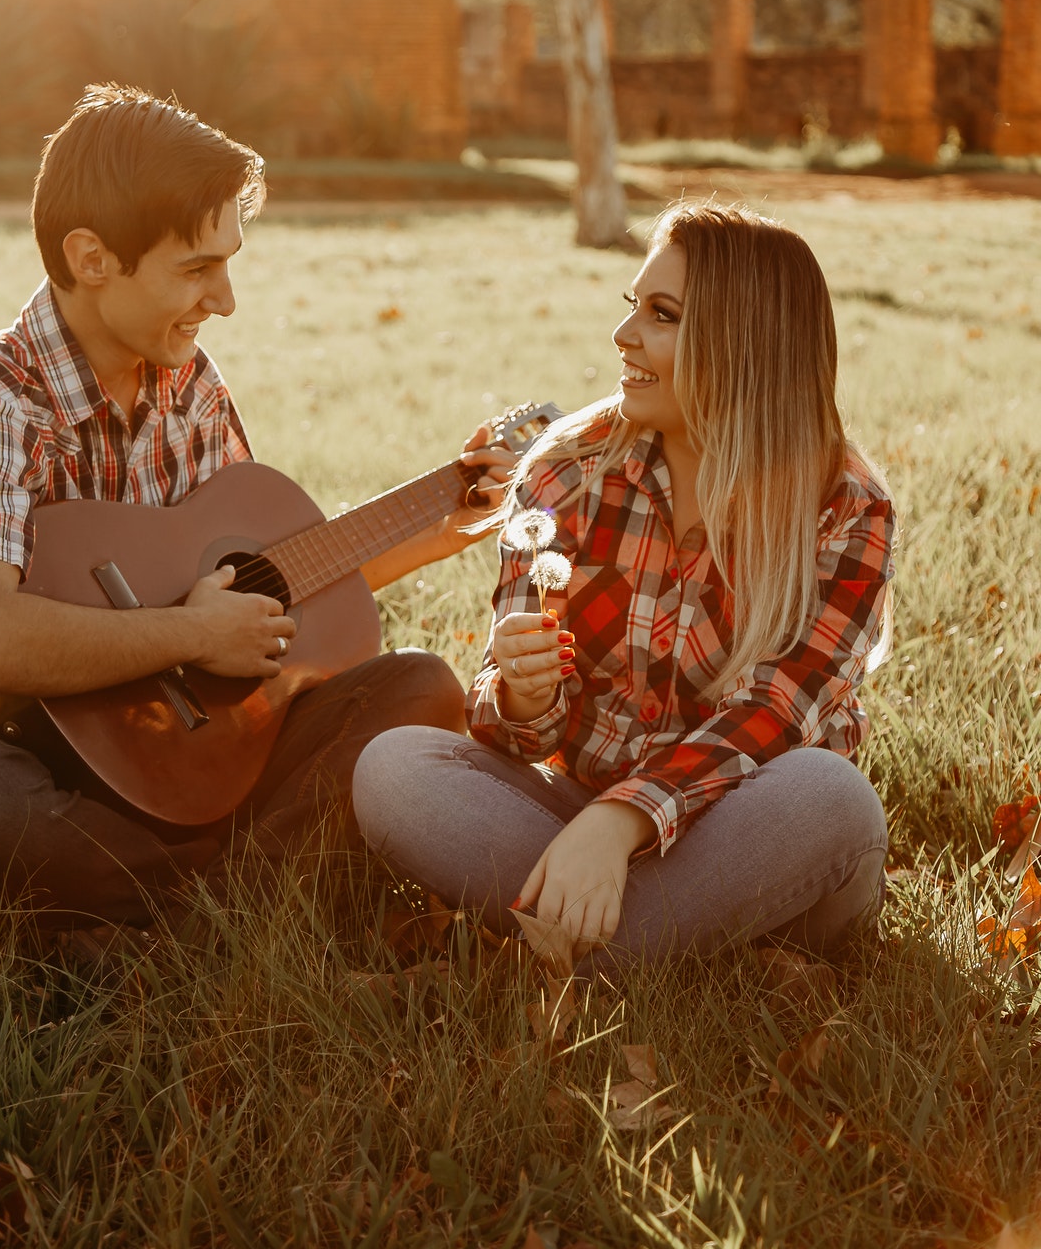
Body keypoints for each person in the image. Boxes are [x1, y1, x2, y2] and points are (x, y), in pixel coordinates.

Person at [0, 85, 512, 925]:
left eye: (229, 263)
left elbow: (262, 585)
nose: (226, 299)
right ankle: (237, 900)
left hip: (182, 758)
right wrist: (193, 634)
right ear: (92, 258)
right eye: (197, 268)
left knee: (420, 688)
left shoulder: (190, 384)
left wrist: (440, 520)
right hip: (27, 766)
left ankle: (167, 913)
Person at [352, 202, 895, 973]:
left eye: (662, 314)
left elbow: (779, 714)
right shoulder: (564, 471)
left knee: (831, 796)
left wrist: (621, 822)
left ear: (744, 341)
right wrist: (523, 698)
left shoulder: (844, 504)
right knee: (393, 767)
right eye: (631, 307)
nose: (623, 337)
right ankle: (642, 944)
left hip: (748, 827)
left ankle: (579, 942)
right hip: (572, 814)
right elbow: (511, 739)